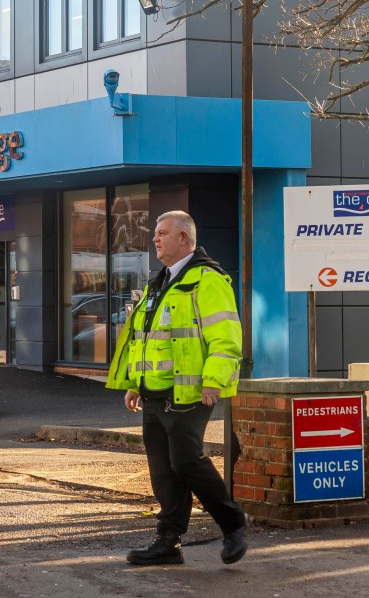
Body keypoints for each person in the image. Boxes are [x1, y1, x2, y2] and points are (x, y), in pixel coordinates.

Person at [107, 210, 248, 566]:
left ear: (184, 238)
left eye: (162, 233)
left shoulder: (206, 280)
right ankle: (168, 542)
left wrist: (214, 379)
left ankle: (233, 525)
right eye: (155, 233)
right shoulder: (160, 282)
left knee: (186, 462)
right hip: (154, 391)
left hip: (191, 392)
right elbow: (143, 340)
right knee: (162, 469)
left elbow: (226, 337)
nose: (155, 239)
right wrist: (133, 384)